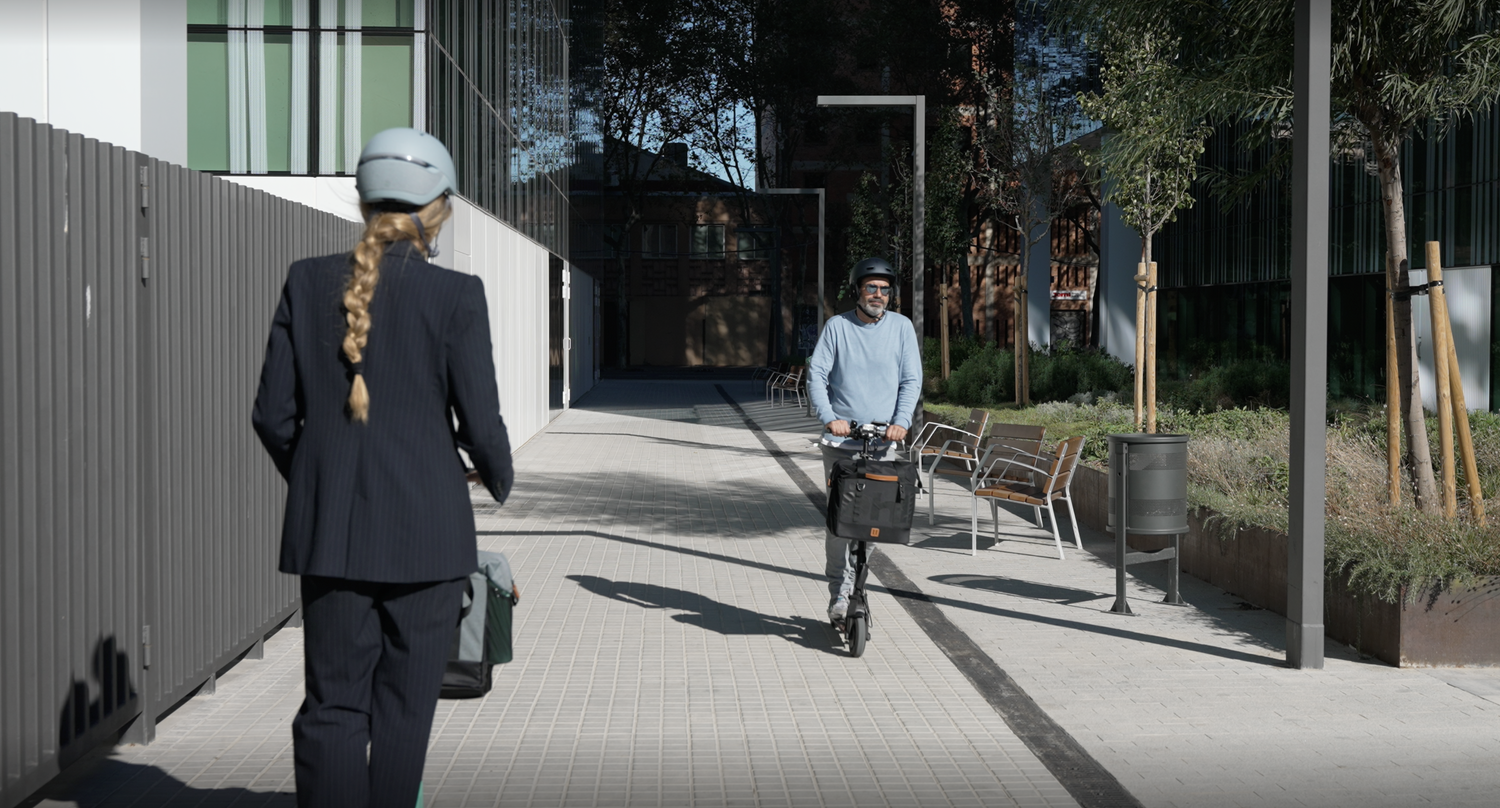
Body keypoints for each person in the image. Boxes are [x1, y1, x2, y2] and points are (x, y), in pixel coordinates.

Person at [251, 127, 514, 808]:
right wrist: (499, 478)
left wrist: (321, 483)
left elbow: (273, 417)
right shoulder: (456, 295)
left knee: (333, 705)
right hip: (429, 537)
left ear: (365, 200)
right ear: (435, 210)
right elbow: (481, 424)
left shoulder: (305, 282)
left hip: (331, 536)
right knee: (404, 709)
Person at [806, 257, 923, 623]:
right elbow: (816, 375)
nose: (878, 295)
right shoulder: (837, 327)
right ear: (858, 289)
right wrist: (830, 419)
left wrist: (901, 422)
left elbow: (910, 381)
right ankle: (838, 595)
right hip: (841, 444)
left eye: (885, 289)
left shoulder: (902, 328)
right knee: (841, 523)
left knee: (872, 524)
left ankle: (856, 589)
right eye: (871, 287)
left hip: (882, 443)